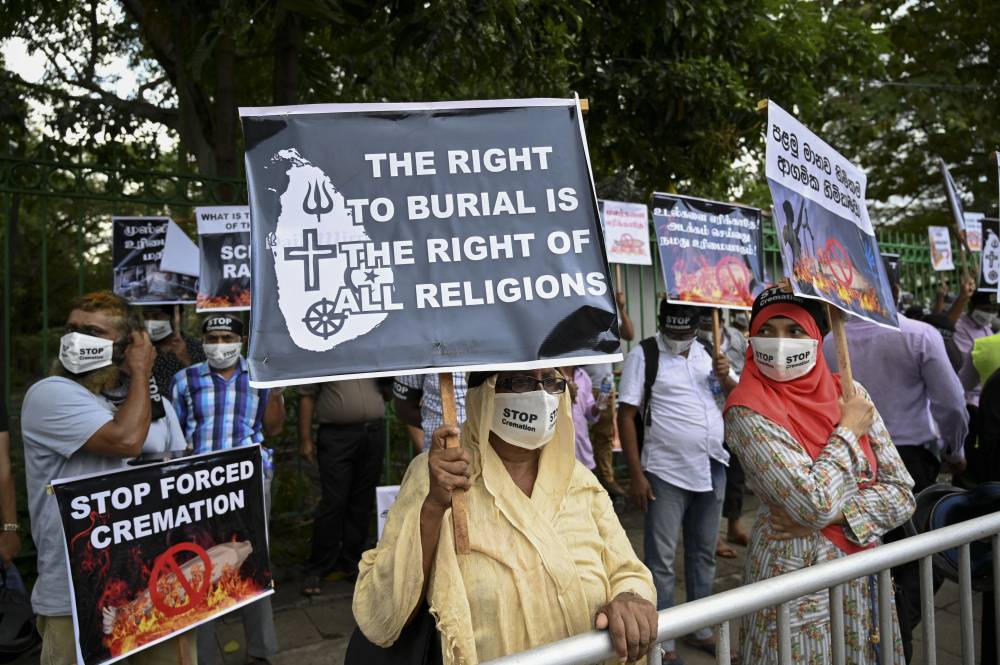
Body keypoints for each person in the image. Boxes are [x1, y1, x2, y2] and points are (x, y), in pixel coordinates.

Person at [353, 369, 657, 664]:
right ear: (484, 393)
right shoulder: (434, 480)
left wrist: (630, 596)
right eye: (521, 382)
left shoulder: (578, 478)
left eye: (551, 381)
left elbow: (627, 569)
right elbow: (386, 607)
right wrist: (432, 508)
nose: (540, 394)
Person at [724, 286, 915, 664]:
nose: (779, 343)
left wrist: (842, 514)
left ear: (815, 336)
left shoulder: (850, 393)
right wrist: (848, 432)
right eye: (768, 330)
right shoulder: (746, 410)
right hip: (796, 579)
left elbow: (902, 494)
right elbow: (813, 503)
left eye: (794, 331)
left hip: (861, 575)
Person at [20, 291, 195, 665]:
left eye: (92, 331)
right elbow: (126, 439)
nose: (75, 338)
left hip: (150, 582)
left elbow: (179, 466)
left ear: (128, 346)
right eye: (71, 328)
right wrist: (144, 372)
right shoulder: (51, 393)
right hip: (77, 593)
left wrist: (142, 381)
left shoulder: (145, 402)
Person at [822, 267, 968, 663]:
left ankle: (883, 634)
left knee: (876, 560)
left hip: (850, 458)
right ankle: (895, 635)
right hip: (906, 464)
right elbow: (951, 405)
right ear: (894, 288)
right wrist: (955, 451)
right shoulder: (919, 335)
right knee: (919, 564)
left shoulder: (832, 341)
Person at [617, 301, 733, 662]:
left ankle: (698, 629)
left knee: (703, 554)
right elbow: (626, 414)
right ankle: (663, 641)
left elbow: (735, 397)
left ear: (696, 327)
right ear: (661, 324)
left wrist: (727, 375)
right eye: (673, 332)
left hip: (712, 467)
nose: (679, 339)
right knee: (661, 562)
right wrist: (636, 475)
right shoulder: (645, 354)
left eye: (685, 333)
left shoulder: (710, 352)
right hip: (665, 472)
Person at [170, 314, 285, 665]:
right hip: (198, 484)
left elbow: (274, 428)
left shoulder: (259, 376)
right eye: (213, 338)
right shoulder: (184, 380)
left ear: (241, 339)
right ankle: (203, 656)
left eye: (227, 337)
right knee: (197, 564)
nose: (220, 345)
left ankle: (261, 651)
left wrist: (277, 393)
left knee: (252, 559)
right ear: (203, 342)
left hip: (248, 480)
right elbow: (175, 438)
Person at [298, 379, 389, 595]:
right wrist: (305, 439)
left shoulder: (371, 350)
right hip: (337, 434)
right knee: (334, 501)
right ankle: (319, 566)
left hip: (373, 432)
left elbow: (388, 392)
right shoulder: (325, 350)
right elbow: (306, 394)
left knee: (363, 500)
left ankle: (353, 561)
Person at [695, 309, 750, 558]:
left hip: (733, 414)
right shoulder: (694, 340)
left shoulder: (737, 338)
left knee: (735, 475)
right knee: (711, 482)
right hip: (707, 419)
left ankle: (734, 525)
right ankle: (712, 536)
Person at [583, 290, 635, 498]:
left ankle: (606, 478)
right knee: (582, 437)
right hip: (584, 388)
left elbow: (629, 335)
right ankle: (586, 477)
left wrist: (621, 308)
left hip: (605, 388)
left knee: (604, 436)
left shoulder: (609, 317)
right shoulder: (579, 320)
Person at [393, 373, 468, 452]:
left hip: (480, 453)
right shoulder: (417, 360)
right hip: (437, 454)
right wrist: (428, 454)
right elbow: (406, 410)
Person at [145, 305, 205, 398]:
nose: (150, 322)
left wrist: (185, 359)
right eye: (146, 317)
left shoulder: (197, 347)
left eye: (156, 317)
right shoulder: (142, 349)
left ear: (176, 318)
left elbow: (206, 386)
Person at [560, 365, 601, 470]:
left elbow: (589, 414)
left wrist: (600, 404)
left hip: (583, 452)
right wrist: (564, 393)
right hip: (559, 453)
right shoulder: (551, 375)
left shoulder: (583, 376)